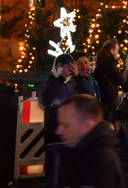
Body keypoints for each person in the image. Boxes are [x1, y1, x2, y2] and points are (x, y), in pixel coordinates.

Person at [41, 54, 96, 188]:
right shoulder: (49, 83)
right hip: (55, 140)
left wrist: (78, 76)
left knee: (76, 179)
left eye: (70, 65)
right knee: (54, 180)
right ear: (55, 67)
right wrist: (60, 78)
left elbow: (91, 96)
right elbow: (46, 99)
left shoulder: (77, 85)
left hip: (76, 140)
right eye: (62, 65)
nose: (67, 68)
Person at [55, 94, 124, 188]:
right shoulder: (73, 153)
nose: (58, 131)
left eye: (66, 125)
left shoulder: (103, 160)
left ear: (87, 125)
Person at [94, 39, 124, 118]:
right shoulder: (107, 63)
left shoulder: (100, 60)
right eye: (117, 50)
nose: (118, 53)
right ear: (112, 51)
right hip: (108, 102)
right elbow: (119, 79)